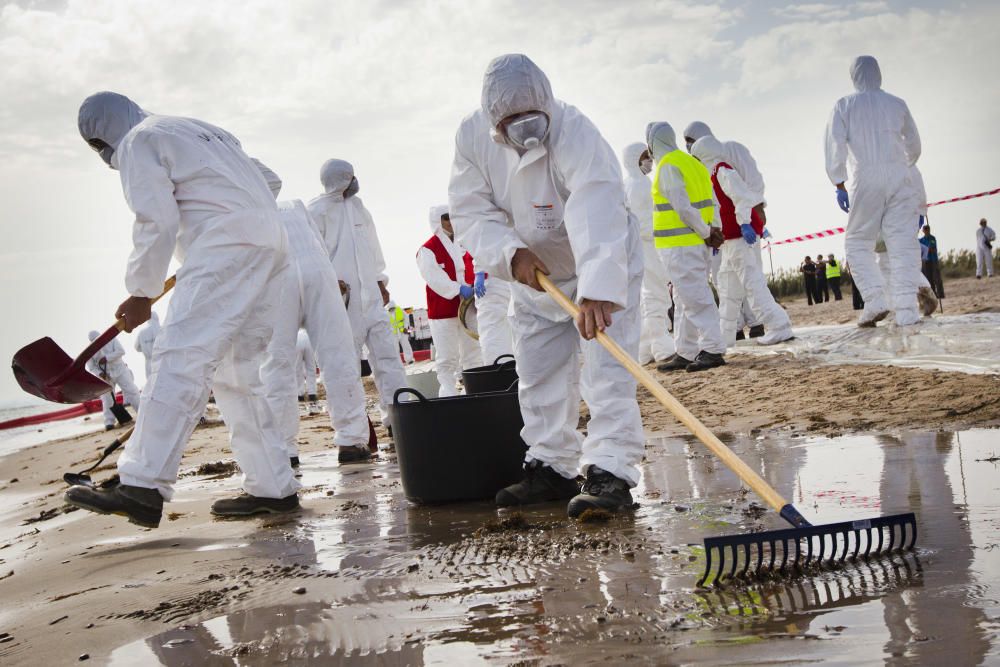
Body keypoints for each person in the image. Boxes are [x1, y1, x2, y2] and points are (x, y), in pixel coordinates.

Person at [66, 92, 299, 528]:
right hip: (273, 241)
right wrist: (235, 215)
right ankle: (273, 487)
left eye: (99, 145)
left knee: (180, 355)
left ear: (106, 130)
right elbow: (270, 180)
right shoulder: (201, 129)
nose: (103, 155)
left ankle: (142, 484)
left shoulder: (138, 141)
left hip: (225, 245)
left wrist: (141, 292)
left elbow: (156, 220)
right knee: (237, 370)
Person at [449, 53, 644, 516]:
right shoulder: (472, 138)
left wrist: (598, 285)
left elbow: (596, 201)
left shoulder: (575, 130)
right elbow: (471, 210)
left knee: (608, 372)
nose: (524, 128)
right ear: (494, 120)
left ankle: (610, 471)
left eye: (532, 116)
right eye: (511, 121)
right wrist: (509, 254)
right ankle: (552, 468)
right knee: (537, 376)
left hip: (600, 262)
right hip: (532, 276)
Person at [308, 160, 408, 437]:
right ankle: (354, 432)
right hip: (342, 302)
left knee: (388, 359)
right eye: (351, 176)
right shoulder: (315, 212)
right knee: (344, 366)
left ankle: (398, 420)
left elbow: (372, 248)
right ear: (340, 179)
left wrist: (380, 281)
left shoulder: (359, 207)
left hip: (372, 299)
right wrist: (328, 284)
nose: (355, 181)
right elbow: (313, 256)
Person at [826, 55, 922, 327]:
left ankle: (875, 299)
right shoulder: (897, 103)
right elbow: (914, 144)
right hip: (899, 174)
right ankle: (906, 310)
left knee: (857, 242)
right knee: (903, 244)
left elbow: (835, 145)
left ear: (854, 76)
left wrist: (839, 182)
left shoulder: (844, 105)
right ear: (878, 74)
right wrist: (903, 165)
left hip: (865, 176)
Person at [689, 136, 793, 347]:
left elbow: (742, 196)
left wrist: (745, 222)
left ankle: (778, 325)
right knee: (727, 287)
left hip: (738, 238)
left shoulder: (722, 171)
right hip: (729, 241)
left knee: (752, 283)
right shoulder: (713, 175)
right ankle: (724, 336)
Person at [646, 122, 726, 372]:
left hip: (681, 245)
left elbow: (682, 208)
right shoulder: (693, 163)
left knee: (696, 298)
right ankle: (686, 350)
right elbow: (713, 203)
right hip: (694, 244)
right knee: (683, 298)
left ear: (652, 144)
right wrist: (713, 230)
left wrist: (705, 232)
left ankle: (713, 349)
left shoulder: (668, 166)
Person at [416, 206, 482, 395]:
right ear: (438, 221)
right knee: (447, 356)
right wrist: (457, 289)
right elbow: (434, 277)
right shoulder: (427, 250)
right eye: (446, 217)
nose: (451, 221)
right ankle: (448, 392)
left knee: (473, 351)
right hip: (443, 311)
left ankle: (474, 390)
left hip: (467, 309)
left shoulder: (463, 244)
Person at [622, 142, 674, 364]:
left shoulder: (627, 184)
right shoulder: (641, 185)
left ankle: (645, 347)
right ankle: (661, 344)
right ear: (635, 159)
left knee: (645, 296)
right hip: (649, 245)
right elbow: (645, 220)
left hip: (637, 247)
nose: (649, 160)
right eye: (645, 156)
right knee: (657, 294)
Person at [85, 329, 142, 430]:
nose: (97, 343)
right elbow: (91, 367)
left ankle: (142, 414)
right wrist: (99, 373)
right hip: (106, 377)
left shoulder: (112, 340)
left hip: (120, 371)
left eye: (98, 340)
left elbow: (121, 351)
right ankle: (109, 422)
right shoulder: (89, 351)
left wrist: (107, 358)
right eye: (94, 341)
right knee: (107, 399)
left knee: (132, 391)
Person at [472, 269, 515, 366]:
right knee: (493, 334)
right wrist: (479, 271)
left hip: (505, 279)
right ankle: (497, 370)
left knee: (508, 332)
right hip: (491, 283)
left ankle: (506, 369)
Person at [386, 300, 416, 364]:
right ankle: (397, 363)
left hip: (402, 331)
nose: (391, 309)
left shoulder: (400, 310)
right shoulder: (386, 313)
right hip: (393, 334)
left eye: (392, 308)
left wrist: (405, 327)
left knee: (406, 345)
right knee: (395, 348)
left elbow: (406, 318)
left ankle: (409, 360)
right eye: (390, 309)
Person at [919, 225, 944, 298]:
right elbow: (921, 250)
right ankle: (933, 294)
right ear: (923, 231)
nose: (926, 231)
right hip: (926, 261)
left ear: (929, 230)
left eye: (927, 229)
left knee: (937, 278)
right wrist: (927, 250)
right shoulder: (921, 240)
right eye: (925, 229)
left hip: (933, 260)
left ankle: (941, 294)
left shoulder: (932, 238)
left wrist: (927, 250)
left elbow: (933, 249)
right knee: (929, 278)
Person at [133, 312, 160, 379]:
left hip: (149, 362)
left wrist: (146, 347)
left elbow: (136, 347)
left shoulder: (142, 332)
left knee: (150, 384)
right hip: (161, 360)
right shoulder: (163, 329)